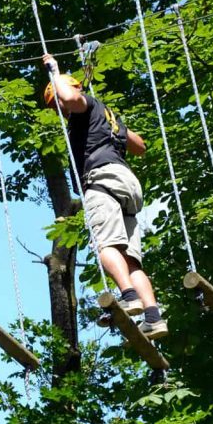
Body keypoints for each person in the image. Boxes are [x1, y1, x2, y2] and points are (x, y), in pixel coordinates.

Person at [42, 54, 167, 339]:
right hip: (127, 183)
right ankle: (153, 316)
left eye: (55, 103)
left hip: (102, 180)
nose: (58, 109)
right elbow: (140, 146)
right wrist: (119, 129)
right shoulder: (106, 116)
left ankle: (129, 295)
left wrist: (56, 74)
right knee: (131, 260)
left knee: (105, 245)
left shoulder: (83, 105)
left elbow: (71, 98)